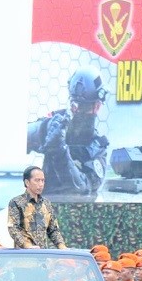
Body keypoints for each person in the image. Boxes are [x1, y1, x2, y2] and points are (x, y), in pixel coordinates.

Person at [27, 66, 109, 202]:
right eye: (76, 106)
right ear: (98, 106)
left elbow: (82, 188)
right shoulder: (55, 125)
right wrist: (46, 128)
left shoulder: (97, 146)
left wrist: (60, 152)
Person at [7, 166, 68, 249]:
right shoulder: (16, 202)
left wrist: (62, 246)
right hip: (23, 255)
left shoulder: (46, 204)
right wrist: (27, 246)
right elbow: (13, 228)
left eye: (42, 180)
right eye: (37, 180)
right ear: (27, 182)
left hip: (42, 256)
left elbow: (53, 230)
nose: (41, 184)